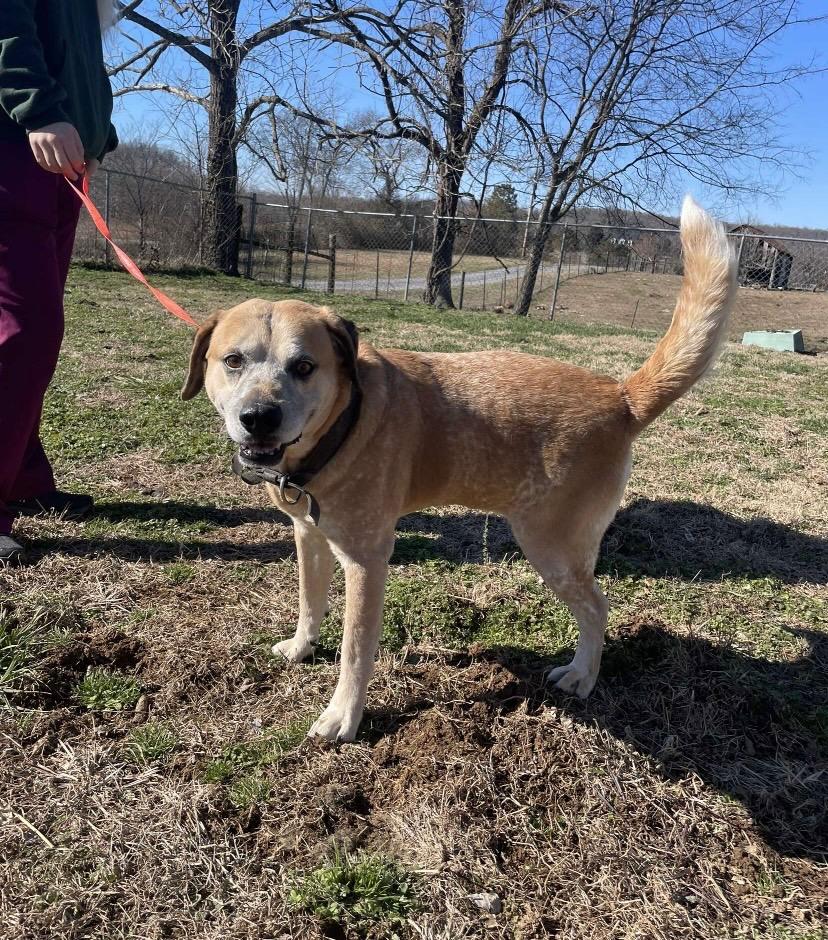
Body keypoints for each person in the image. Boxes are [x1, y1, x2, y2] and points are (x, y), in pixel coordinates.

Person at [0, 0, 117, 565]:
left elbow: (83, 61)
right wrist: (39, 110)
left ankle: (23, 477)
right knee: (26, 332)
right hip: (15, 150)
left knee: (36, 332)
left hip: (62, 167)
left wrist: (99, 134)